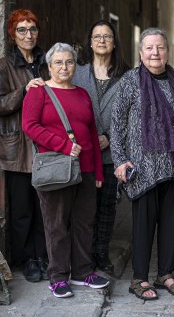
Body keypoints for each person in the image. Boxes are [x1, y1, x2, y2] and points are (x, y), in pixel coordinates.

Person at [111, 28, 174, 301]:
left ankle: (165, 274)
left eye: (160, 47)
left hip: (173, 166)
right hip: (142, 167)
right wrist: (120, 159)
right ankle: (139, 278)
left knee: (171, 224)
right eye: (149, 48)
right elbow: (117, 124)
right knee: (143, 226)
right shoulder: (129, 81)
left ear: (167, 51)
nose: (155, 53)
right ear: (140, 52)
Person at [22, 43, 109, 298]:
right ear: (49, 66)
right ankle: (58, 277)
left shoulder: (82, 94)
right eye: (58, 63)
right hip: (56, 168)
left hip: (86, 170)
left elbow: (92, 134)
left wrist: (98, 173)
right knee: (56, 225)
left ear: (75, 65)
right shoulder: (40, 92)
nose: (64, 67)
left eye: (69, 62)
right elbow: (30, 126)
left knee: (84, 223)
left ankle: (82, 273)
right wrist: (63, 145)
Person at [0, 9, 49, 283]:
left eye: (32, 29)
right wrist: (24, 91)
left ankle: (43, 255)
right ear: (13, 35)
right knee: (22, 209)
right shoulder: (4, 65)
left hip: (45, 145)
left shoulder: (46, 62)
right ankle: (27, 260)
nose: (28, 35)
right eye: (22, 30)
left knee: (44, 206)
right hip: (17, 149)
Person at [72, 20, 129, 274]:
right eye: (97, 36)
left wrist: (108, 136)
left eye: (107, 36)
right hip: (83, 153)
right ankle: (83, 254)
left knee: (107, 206)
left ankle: (101, 253)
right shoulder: (77, 73)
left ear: (114, 42)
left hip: (110, 153)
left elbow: (131, 115)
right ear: (90, 42)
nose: (102, 40)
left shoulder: (127, 76)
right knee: (84, 207)